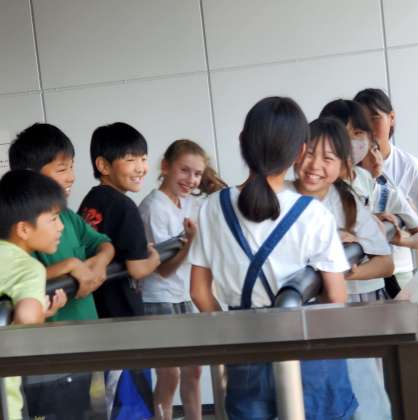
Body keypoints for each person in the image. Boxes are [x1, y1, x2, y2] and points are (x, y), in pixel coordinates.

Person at [189, 96, 357, 420]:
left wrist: (235, 333)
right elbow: (336, 297)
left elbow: (198, 292)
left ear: (242, 141)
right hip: (309, 353)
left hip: (246, 350)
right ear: (300, 152)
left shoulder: (212, 208)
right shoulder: (313, 214)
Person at [8, 123, 115, 420]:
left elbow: (103, 244)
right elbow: (25, 279)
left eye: (72, 167)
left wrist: (97, 265)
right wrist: (71, 266)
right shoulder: (19, 232)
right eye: (62, 169)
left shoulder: (66, 216)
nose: (71, 176)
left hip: (86, 344)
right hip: (48, 357)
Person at [293, 117, 393, 419]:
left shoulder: (346, 202)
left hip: (339, 320)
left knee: (362, 401)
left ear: (342, 165)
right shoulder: (278, 198)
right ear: (295, 152)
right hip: (290, 323)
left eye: (328, 158)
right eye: (310, 153)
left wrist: (341, 270)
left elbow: (385, 262)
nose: (315, 165)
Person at [78, 122, 160, 419]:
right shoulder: (125, 206)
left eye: (143, 158)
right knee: (130, 405)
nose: (141, 167)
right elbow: (137, 268)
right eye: (130, 159)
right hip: (125, 326)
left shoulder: (90, 202)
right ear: (103, 165)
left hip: (97, 319)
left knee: (104, 403)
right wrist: (154, 258)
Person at [139, 139, 209, 420]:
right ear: (165, 167)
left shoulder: (189, 202)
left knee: (194, 370)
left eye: (197, 173)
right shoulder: (153, 207)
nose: (191, 179)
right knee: (169, 373)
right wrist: (190, 242)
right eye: (184, 170)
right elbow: (164, 269)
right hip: (158, 297)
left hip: (182, 294)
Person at [0, 170, 67, 420]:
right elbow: (27, 319)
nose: (61, 227)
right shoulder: (27, 267)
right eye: (54, 219)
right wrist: (41, 313)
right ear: (24, 229)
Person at [359, 137, 418, 293]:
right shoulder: (338, 194)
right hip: (348, 286)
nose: (375, 157)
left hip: (380, 281)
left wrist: (400, 239)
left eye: (375, 149)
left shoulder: (388, 192)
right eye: (365, 153)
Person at [354, 88, 418, 213]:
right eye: (362, 121)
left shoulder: (411, 168)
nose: (368, 127)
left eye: (374, 118)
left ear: (391, 118)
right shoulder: (347, 167)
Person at [319, 99, 376, 208]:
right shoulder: (319, 182)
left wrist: (375, 216)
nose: (351, 141)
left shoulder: (364, 177)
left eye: (358, 133)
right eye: (342, 134)